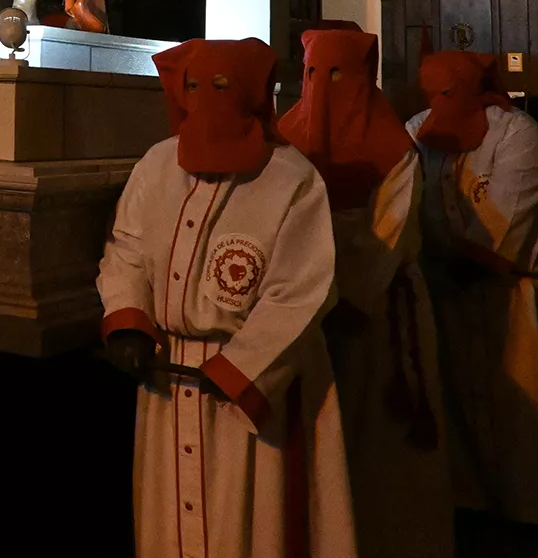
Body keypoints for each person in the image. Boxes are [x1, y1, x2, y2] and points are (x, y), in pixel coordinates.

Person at [98, 37, 356, 558]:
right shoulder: (157, 164)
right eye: (195, 86)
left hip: (247, 385)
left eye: (222, 86)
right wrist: (128, 320)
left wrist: (241, 367)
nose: (207, 98)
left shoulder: (292, 179)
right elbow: (125, 248)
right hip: (167, 373)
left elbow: (302, 289)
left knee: (254, 524)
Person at [278, 27, 451, 558]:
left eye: (336, 75)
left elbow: (389, 236)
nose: (322, 89)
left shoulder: (394, 148)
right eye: (312, 74)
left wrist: (348, 297)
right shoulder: (286, 137)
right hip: (311, 313)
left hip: (373, 310)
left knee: (381, 446)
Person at [409, 52, 538, 529]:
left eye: (449, 93)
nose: (437, 104)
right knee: (458, 409)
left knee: (520, 419)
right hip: (446, 291)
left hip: (510, 297)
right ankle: (472, 510)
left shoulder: (516, 133)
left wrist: (455, 263)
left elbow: (506, 216)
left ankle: (534, 519)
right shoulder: (420, 129)